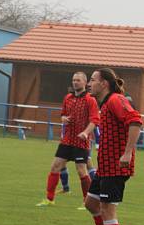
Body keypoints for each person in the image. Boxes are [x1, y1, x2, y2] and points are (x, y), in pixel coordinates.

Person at [83, 68, 142, 225]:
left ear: (104, 84)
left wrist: (127, 153)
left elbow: (135, 121)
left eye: (92, 80)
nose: (89, 83)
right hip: (105, 167)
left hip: (116, 167)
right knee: (91, 204)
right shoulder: (106, 103)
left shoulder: (117, 100)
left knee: (108, 210)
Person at [36, 72, 100, 207]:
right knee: (55, 166)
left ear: (85, 82)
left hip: (81, 141)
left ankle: (87, 202)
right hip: (67, 140)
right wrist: (63, 119)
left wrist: (85, 132)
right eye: (73, 80)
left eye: (78, 80)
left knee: (81, 170)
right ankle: (49, 199)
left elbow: (95, 120)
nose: (75, 82)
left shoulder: (90, 100)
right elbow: (63, 115)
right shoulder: (68, 98)